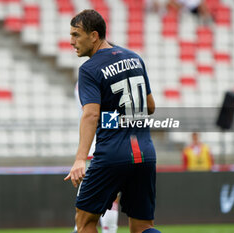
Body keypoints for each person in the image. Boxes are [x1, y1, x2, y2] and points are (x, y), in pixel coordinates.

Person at [64, 9, 161, 233]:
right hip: (145, 152)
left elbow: (91, 114)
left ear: (94, 35)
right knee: (143, 226)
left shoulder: (89, 69)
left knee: (85, 221)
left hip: (112, 154)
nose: (71, 41)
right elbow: (151, 107)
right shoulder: (135, 58)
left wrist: (80, 159)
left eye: (76, 35)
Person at [72, 83, 119, 233]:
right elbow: (101, 113)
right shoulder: (100, 77)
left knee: (87, 203)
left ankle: (78, 228)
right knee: (110, 197)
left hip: (92, 146)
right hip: (103, 145)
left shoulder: (86, 78)